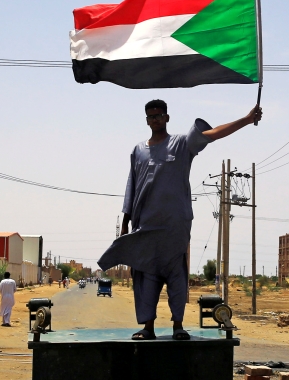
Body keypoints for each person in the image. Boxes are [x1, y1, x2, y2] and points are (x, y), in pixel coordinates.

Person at [98, 98, 261, 341]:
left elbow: (213, 134)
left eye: (158, 115)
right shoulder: (138, 150)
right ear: (147, 120)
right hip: (146, 227)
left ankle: (178, 326)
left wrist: (247, 120)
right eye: (150, 116)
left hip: (175, 228)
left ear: (167, 117)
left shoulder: (182, 144)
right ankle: (148, 327)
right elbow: (131, 188)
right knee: (146, 276)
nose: (154, 120)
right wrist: (125, 225)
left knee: (176, 275)